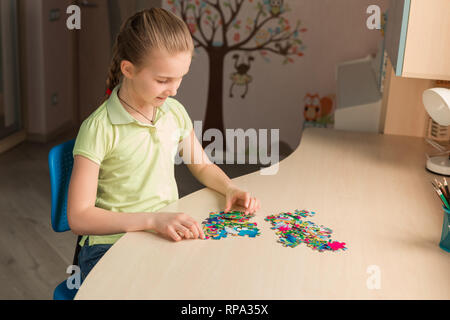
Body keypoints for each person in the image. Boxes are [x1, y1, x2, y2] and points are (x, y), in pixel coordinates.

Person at [67, 7, 261, 283]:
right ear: (128, 70)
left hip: (162, 232)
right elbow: (79, 216)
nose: (174, 90)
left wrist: (229, 186)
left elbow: (203, 165)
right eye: (162, 80)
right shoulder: (99, 128)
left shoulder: (174, 112)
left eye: (181, 77)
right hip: (109, 246)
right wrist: (151, 221)